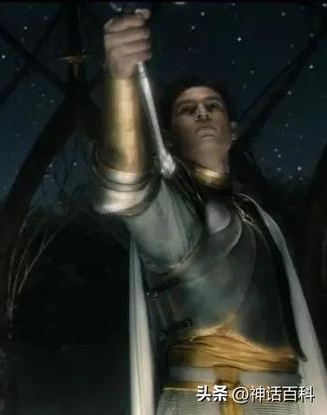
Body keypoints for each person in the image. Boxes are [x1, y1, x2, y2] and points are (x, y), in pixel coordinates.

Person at [92, 10, 327, 415]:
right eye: (187, 109)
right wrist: (121, 79)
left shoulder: (260, 217)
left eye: (212, 105)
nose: (202, 113)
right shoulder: (178, 207)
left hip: (286, 397)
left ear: (233, 130)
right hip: (211, 396)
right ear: (169, 136)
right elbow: (126, 189)